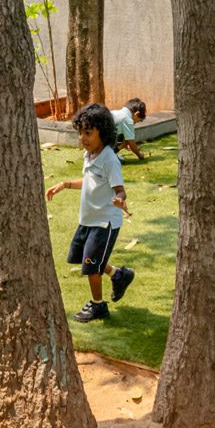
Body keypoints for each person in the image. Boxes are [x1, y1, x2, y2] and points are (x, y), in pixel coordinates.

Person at [49, 103, 132, 323]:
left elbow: (120, 190)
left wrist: (119, 200)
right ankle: (119, 275)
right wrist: (65, 184)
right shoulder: (90, 155)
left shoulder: (110, 159)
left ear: (102, 133)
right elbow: (89, 181)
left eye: (88, 133)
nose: (82, 138)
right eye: (80, 133)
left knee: (91, 266)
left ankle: (98, 306)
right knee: (83, 258)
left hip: (105, 222)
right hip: (87, 220)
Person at [109, 96, 148, 161]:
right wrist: (140, 155)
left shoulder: (115, 112)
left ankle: (112, 155)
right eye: (138, 121)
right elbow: (131, 143)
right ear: (137, 114)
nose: (135, 123)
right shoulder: (127, 119)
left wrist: (125, 143)